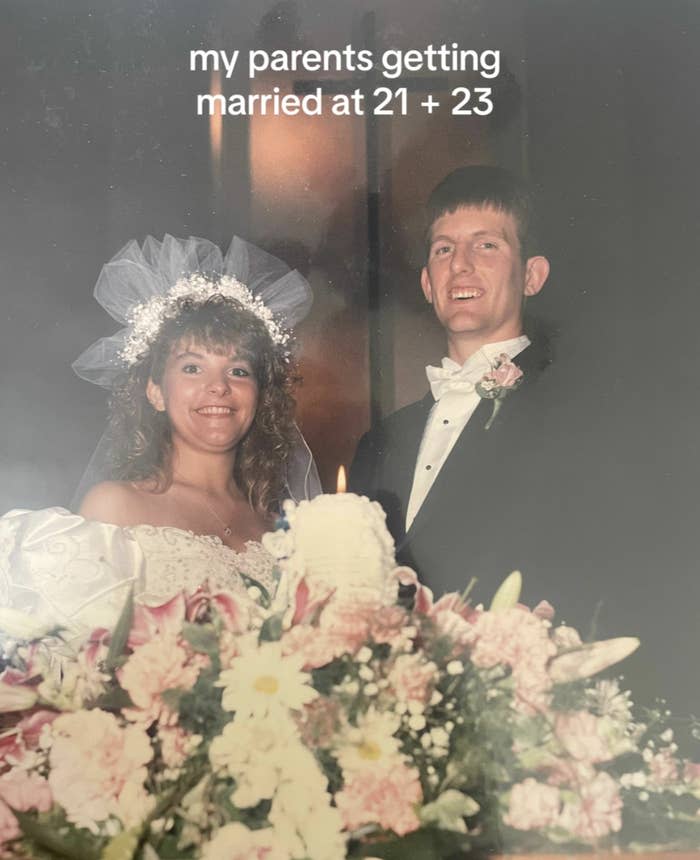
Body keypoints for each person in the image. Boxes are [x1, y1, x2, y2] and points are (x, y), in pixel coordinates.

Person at [0, 235, 317, 634]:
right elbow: (76, 667)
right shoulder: (116, 507)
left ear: (259, 395)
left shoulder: (280, 525)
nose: (218, 387)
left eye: (238, 370)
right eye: (191, 368)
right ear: (155, 392)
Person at [350, 165, 556, 598]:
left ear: (532, 276)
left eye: (486, 245)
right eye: (443, 250)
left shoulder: (574, 407)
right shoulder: (379, 441)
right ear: (428, 283)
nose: (460, 265)